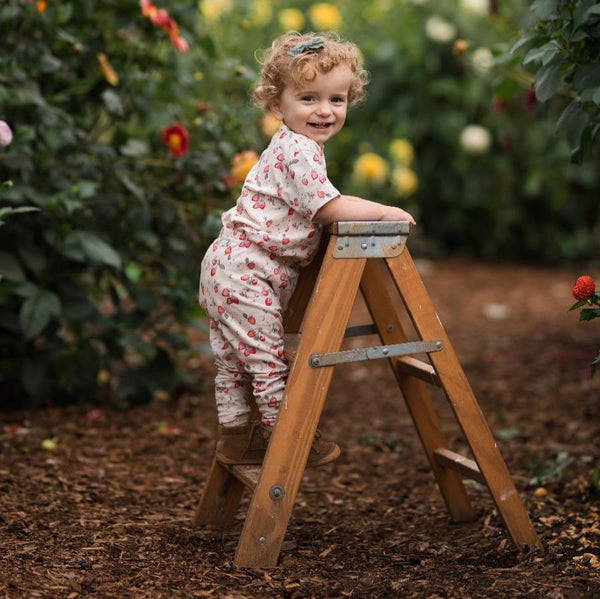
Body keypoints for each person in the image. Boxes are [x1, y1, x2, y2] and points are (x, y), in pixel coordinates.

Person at [199, 31, 415, 467]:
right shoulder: (298, 149)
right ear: (278, 105)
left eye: (336, 99)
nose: (324, 110)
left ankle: (237, 437)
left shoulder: (294, 147)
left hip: (228, 265)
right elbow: (327, 207)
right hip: (246, 270)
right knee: (267, 362)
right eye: (309, 98)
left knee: (233, 364)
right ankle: (289, 437)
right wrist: (385, 210)